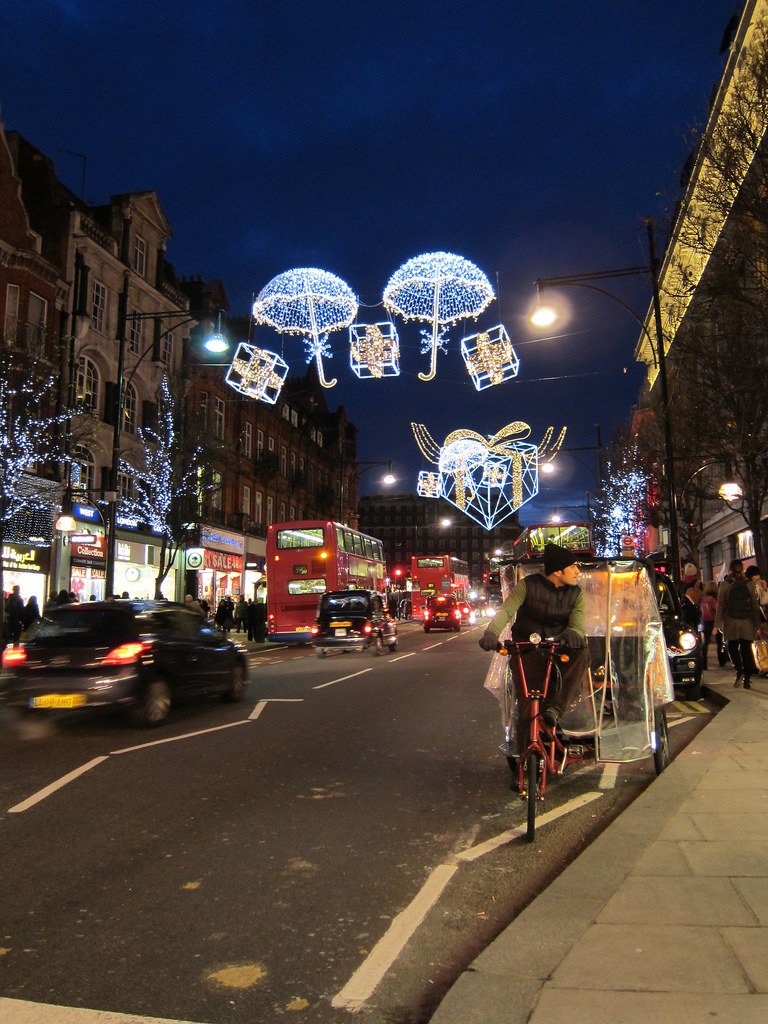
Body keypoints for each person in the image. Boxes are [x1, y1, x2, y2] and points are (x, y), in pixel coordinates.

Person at [478, 543, 590, 730]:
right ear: (557, 571)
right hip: (527, 649)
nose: (577, 571)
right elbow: (506, 611)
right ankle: (526, 744)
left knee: (583, 653)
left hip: (557, 647)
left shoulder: (576, 593)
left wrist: (573, 634)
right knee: (527, 703)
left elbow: (576, 625)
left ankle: (556, 710)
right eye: (573, 566)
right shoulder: (526, 586)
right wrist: (491, 633)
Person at [714, 558, 762, 689]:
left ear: (730, 569)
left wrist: (717, 625)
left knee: (732, 647)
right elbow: (755, 605)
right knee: (747, 649)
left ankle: (739, 670)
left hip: (731, 621)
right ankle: (747, 678)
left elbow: (720, 606)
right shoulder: (749, 584)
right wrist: (757, 624)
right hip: (747, 621)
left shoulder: (725, 584)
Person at [699, 581, 718, 671]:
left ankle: (704, 662)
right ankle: (721, 659)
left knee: (705, 642)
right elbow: (717, 609)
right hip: (715, 621)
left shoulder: (703, 599)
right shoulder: (715, 599)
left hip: (705, 622)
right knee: (719, 641)